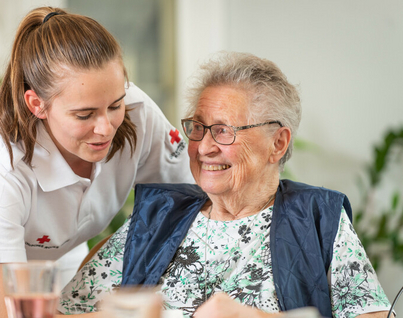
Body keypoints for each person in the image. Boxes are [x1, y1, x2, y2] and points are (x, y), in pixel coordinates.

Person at [57, 52, 392, 318]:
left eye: (224, 131)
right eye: (198, 128)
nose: (203, 147)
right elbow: (61, 313)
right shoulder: (158, 216)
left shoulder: (319, 220)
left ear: (277, 143)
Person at [0, 6, 193, 317]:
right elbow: (3, 310)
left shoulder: (138, 114)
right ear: (36, 105)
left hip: (54, 256)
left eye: (115, 105)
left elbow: (191, 197)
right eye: (84, 115)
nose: (106, 127)